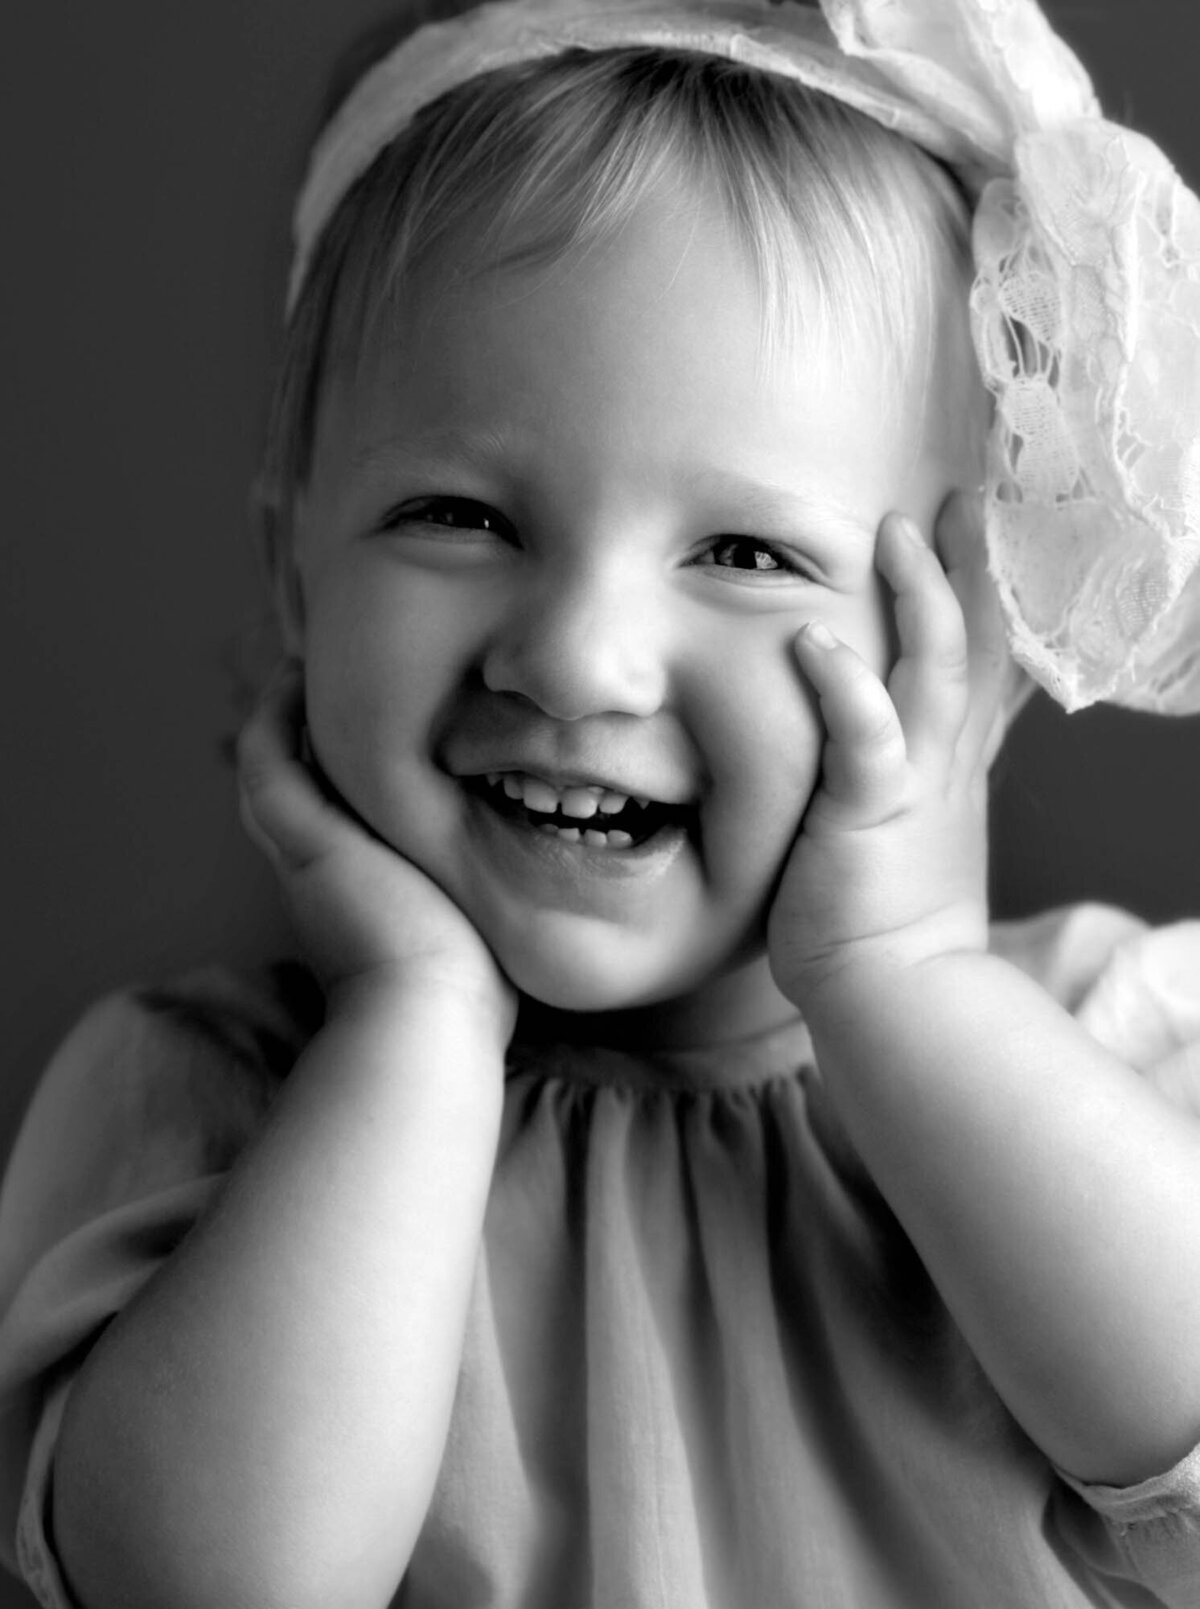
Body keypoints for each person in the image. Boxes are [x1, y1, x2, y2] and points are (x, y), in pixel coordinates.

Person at [3, 0, 1200, 1604]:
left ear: (970, 643)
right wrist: (417, 1024)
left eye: (747, 553)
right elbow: (209, 1580)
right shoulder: (203, 1106)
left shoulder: (1117, 1054)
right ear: (295, 564)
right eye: (459, 514)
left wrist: (905, 974)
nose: (576, 657)